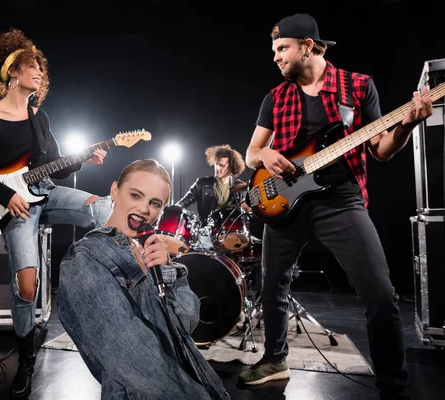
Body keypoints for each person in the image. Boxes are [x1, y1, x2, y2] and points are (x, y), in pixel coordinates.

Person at [238, 13, 433, 400]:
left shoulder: (358, 87)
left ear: (308, 46)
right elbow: (250, 153)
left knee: (380, 293)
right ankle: (275, 359)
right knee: (273, 284)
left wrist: (408, 125)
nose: (275, 57)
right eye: (274, 50)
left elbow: (380, 150)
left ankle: (392, 383)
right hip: (283, 200)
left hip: (341, 199)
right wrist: (266, 157)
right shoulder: (275, 97)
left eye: (282, 49)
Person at [0, 28, 112, 399]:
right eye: (31, 66)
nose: (39, 72)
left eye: (41, 67)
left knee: (102, 206)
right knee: (27, 287)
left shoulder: (39, 117)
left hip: (47, 194)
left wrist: (84, 158)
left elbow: (54, 167)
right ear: (12, 71)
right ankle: (26, 358)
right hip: (16, 208)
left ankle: (110, 279)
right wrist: (5, 196)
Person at [57, 159, 230, 400]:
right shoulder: (85, 259)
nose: (144, 209)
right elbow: (133, 357)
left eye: (155, 203)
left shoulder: (149, 253)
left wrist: (169, 271)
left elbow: (188, 322)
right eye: (135, 195)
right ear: (115, 190)